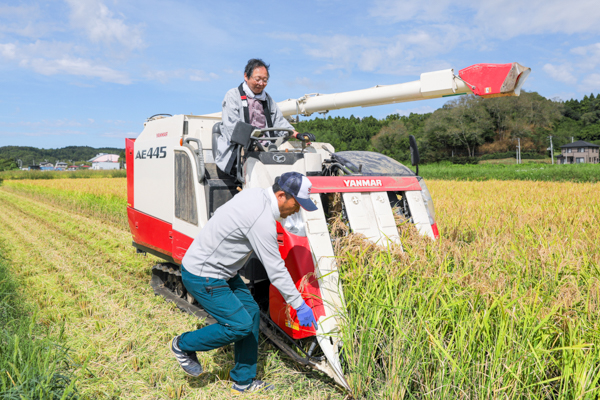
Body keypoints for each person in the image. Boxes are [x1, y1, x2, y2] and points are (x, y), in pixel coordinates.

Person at [170, 171, 319, 394]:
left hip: (223, 271)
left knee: (251, 314)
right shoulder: (261, 219)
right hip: (204, 274)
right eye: (297, 204)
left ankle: (243, 380)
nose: (297, 210)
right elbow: (276, 271)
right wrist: (299, 305)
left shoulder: (256, 195)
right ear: (281, 196)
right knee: (238, 325)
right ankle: (182, 345)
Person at [214, 58, 316, 175]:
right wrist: (253, 137)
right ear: (246, 76)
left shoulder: (268, 100)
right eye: (257, 79)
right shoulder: (233, 96)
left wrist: (297, 134)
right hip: (238, 152)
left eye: (265, 80)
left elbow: (279, 121)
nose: (261, 83)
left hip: (265, 151)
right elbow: (232, 127)